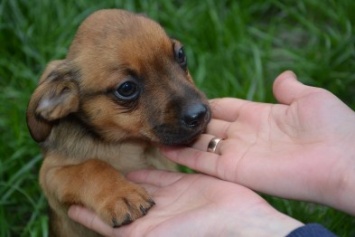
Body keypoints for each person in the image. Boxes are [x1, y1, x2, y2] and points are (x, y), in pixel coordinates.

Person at [68, 71, 355, 236]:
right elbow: (56, 174)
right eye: (127, 89)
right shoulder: (67, 142)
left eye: (178, 58)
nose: (194, 106)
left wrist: (345, 159)